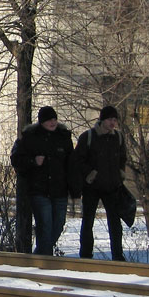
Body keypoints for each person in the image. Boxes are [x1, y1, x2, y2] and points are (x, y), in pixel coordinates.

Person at [11, 106, 75, 255]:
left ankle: (40, 254)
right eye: (48, 120)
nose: (52, 122)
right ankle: (45, 260)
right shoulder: (30, 137)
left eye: (54, 119)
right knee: (45, 225)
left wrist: (74, 189)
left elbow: (72, 164)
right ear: (41, 122)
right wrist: (33, 161)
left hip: (60, 190)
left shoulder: (63, 136)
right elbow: (16, 159)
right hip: (39, 190)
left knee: (58, 224)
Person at [74, 105, 128, 261]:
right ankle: (85, 255)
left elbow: (123, 157)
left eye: (115, 119)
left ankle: (118, 255)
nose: (113, 122)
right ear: (102, 120)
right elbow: (78, 159)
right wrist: (90, 174)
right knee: (88, 220)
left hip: (112, 186)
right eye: (110, 119)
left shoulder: (118, 137)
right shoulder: (88, 136)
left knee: (115, 222)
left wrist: (121, 172)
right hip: (92, 187)